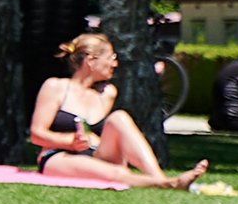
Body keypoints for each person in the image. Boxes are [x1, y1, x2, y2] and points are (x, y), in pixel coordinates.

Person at [31, 35, 207, 186]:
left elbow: (105, 135)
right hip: (59, 156)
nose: (115, 64)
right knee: (113, 172)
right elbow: (36, 134)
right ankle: (168, 184)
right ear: (91, 60)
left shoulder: (107, 93)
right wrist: (70, 141)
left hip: (95, 153)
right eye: (111, 57)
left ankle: (158, 176)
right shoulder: (56, 87)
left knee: (119, 117)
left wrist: (92, 140)